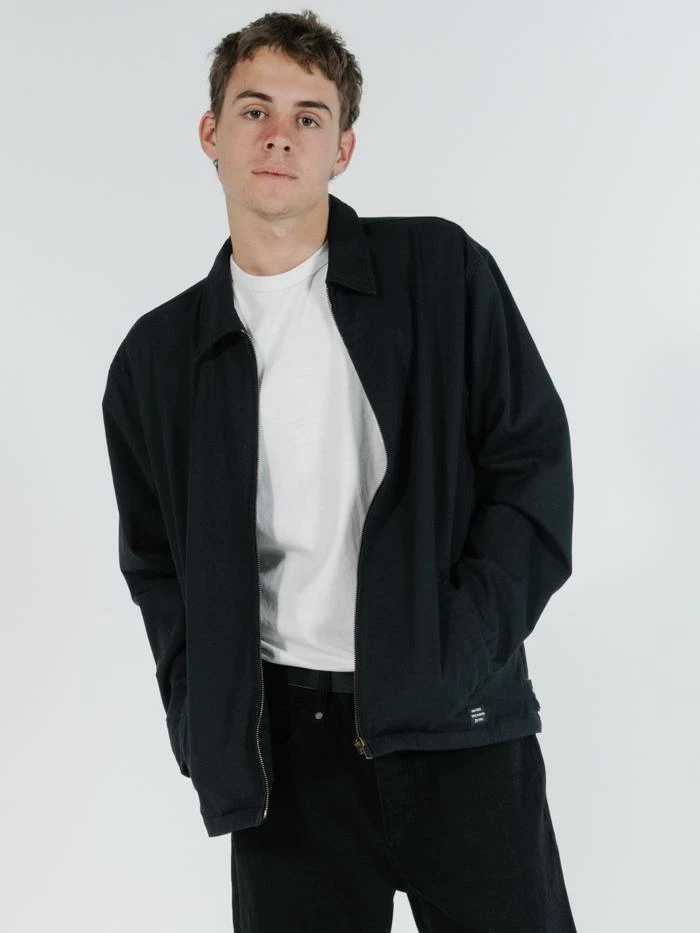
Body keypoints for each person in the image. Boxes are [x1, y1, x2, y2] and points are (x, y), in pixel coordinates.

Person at [101, 9, 578, 931]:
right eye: (254, 110)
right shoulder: (157, 361)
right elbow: (155, 564)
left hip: (461, 730)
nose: (280, 135)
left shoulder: (438, 273)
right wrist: (203, 718)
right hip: (286, 757)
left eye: (308, 116)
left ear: (343, 149)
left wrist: (456, 652)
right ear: (210, 133)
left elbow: (532, 472)